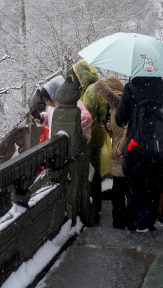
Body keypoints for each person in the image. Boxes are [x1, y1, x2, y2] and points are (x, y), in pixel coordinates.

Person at [115, 75, 163, 232]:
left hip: (135, 150)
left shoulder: (130, 88)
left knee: (134, 191)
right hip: (159, 151)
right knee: (152, 193)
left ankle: (132, 227)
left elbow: (120, 120)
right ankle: (146, 226)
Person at [70, 60, 111, 222]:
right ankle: (96, 206)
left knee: (93, 171)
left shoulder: (90, 92)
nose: (73, 81)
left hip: (93, 134)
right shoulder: (94, 88)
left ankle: (94, 208)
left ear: (81, 76)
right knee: (96, 171)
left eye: (74, 77)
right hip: (98, 132)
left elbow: (86, 117)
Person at [93, 77, 128, 229]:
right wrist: (111, 128)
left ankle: (120, 228)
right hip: (120, 158)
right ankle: (121, 225)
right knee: (119, 195)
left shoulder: (121, 105)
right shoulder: (115, 107)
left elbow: (129, 129)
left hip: (123, 158)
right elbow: (120, 128)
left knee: (119, 195)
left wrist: (120, 148)